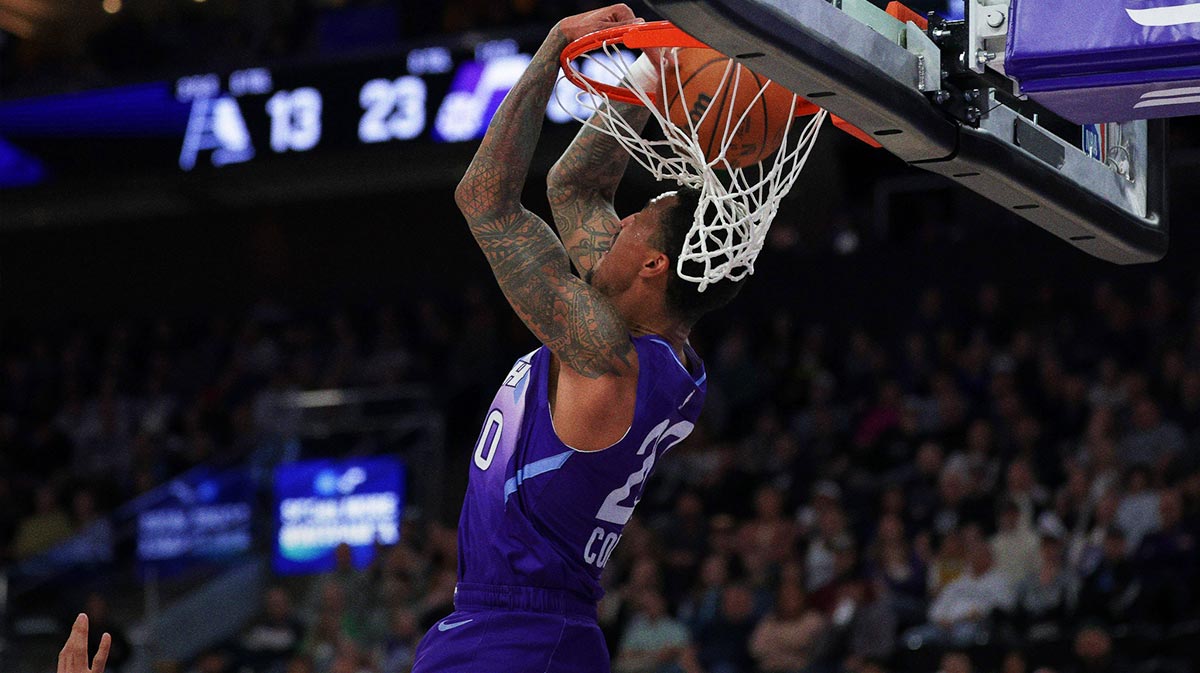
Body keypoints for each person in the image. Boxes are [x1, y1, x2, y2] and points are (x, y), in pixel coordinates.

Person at [411, 4, 745, 672]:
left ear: (653, 265)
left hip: (518, 633)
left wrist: (556, 43)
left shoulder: (603, 352)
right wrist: (656, 64)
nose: (619, 221)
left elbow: (485, 198)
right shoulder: (654, 345)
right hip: (525, 625)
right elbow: (576, 186)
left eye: (638, 219)